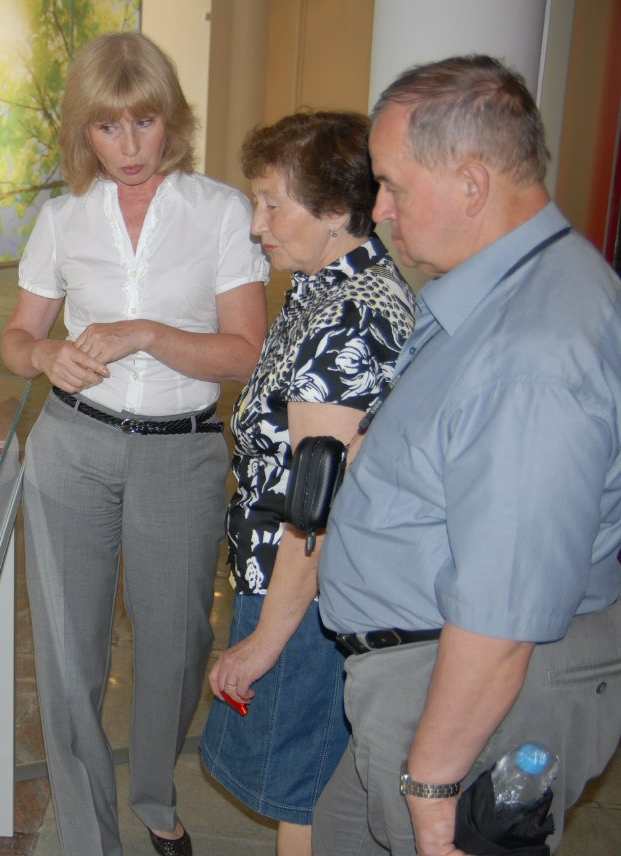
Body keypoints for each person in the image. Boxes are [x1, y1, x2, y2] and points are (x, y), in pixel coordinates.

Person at [314, 54, 621, 855]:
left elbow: (503, 613)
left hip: (463, 697)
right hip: (422, 675)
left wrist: (432, 781)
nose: (380, 209)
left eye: (393, 185)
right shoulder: (511, 289)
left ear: (472, 185)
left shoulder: (534, 352)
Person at [1, 31, 268, 856]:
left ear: (171, 120)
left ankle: (155, 794)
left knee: (177, 646)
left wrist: (147, 332)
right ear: (84, 130)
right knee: (69, 654)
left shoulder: (221, 212)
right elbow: (17, 337)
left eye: (144, 122)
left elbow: (246, 353)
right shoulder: (63, 218)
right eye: (108, 127)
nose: (128, 146)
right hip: (72, 446)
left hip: (181, 452)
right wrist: (45, 356)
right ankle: (89, 835)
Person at [199, 111, 416, 856]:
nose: (256, 223)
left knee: (307, 799)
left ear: (333, 209)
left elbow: (317, 507)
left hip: (307, 597)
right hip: (295, 584)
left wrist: (266, 640)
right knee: (311, 792)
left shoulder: (348, 317)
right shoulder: (323, 286)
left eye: (272, 203)